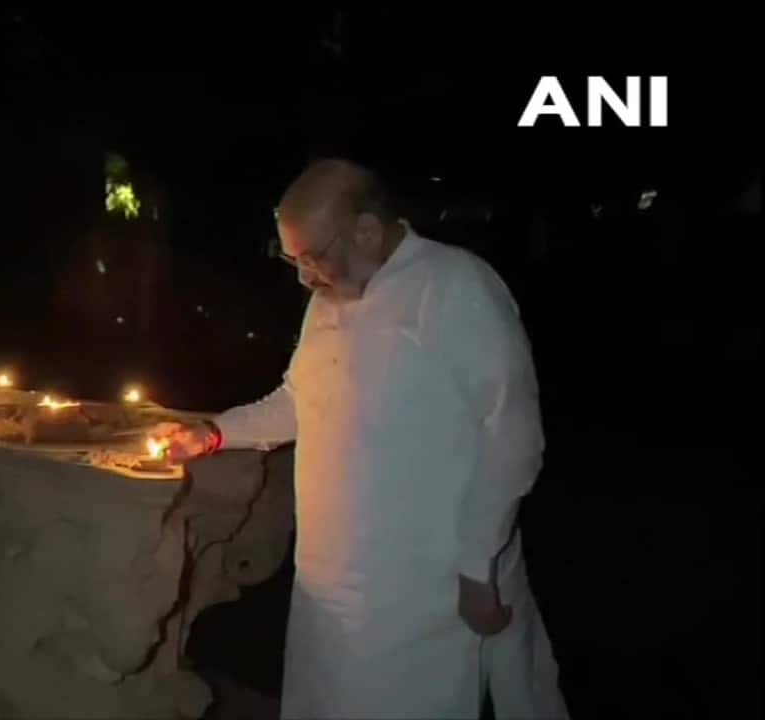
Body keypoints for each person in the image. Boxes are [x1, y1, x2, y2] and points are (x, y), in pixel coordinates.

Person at [152, 158, 570, 719]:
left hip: (426, 588)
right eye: (291, 259)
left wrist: (476, 568)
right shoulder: (330, 300)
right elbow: (302, 402)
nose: (304, 278)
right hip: (329, 585)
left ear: (368, 230)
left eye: (313, 257)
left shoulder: (454, 288)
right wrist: (215, 433)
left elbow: (513, 438)